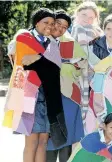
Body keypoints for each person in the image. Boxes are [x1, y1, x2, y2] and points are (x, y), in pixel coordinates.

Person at [3, 8, 67, 162]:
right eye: (46, 22)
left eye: (52, 23)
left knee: (43, 141)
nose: (50, 26)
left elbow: (54, 70)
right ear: (37, 23)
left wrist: (38, 59)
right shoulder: (24, 37)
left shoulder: (52, 43)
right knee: (31, 142)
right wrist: (45, 63)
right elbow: (25, 64)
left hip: (48, 97)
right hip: (29, 95)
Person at [45, 10, 86, 162]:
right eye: (58, 23)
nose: (61, 28)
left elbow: (82, 63)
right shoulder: (40, 40)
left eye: (65, 26)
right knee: (48, 134)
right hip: (47, 95)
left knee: (66, 134)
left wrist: (65, 64)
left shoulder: (69, 42)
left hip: (68, 95)